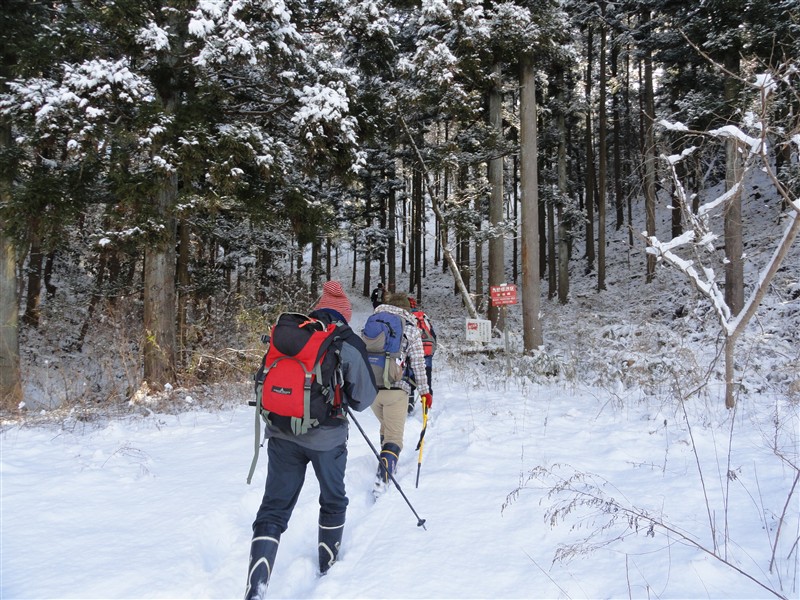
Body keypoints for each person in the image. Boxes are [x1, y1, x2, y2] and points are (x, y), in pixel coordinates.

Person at [245, 280, 378, 599]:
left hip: (280, 431)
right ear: (345, 315)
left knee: (273, 509)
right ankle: (327, 569)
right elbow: (363, 398)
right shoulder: (344, 340)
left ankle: (256, 586)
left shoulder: (291, 335)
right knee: (333, 498)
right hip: (326, 437)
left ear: (316, 310)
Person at [368, 292, 432, 489]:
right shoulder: (411, 329)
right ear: (406, 309)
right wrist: (424, 391)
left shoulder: (372, 321)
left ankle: (384, 459)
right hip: (396, 389)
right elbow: (419, 364)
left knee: (387, 425)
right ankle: (383, 478)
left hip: (371, 389)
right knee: (394, 436)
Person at [405, 301, 437, 414]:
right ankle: (426, 406)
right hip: (427, 351)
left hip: (413, 352)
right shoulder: (424, 317)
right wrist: (432, 352)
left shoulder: (406, 318)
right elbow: (433, 335)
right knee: (427, 378)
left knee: (409, 377)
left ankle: (409, 404)